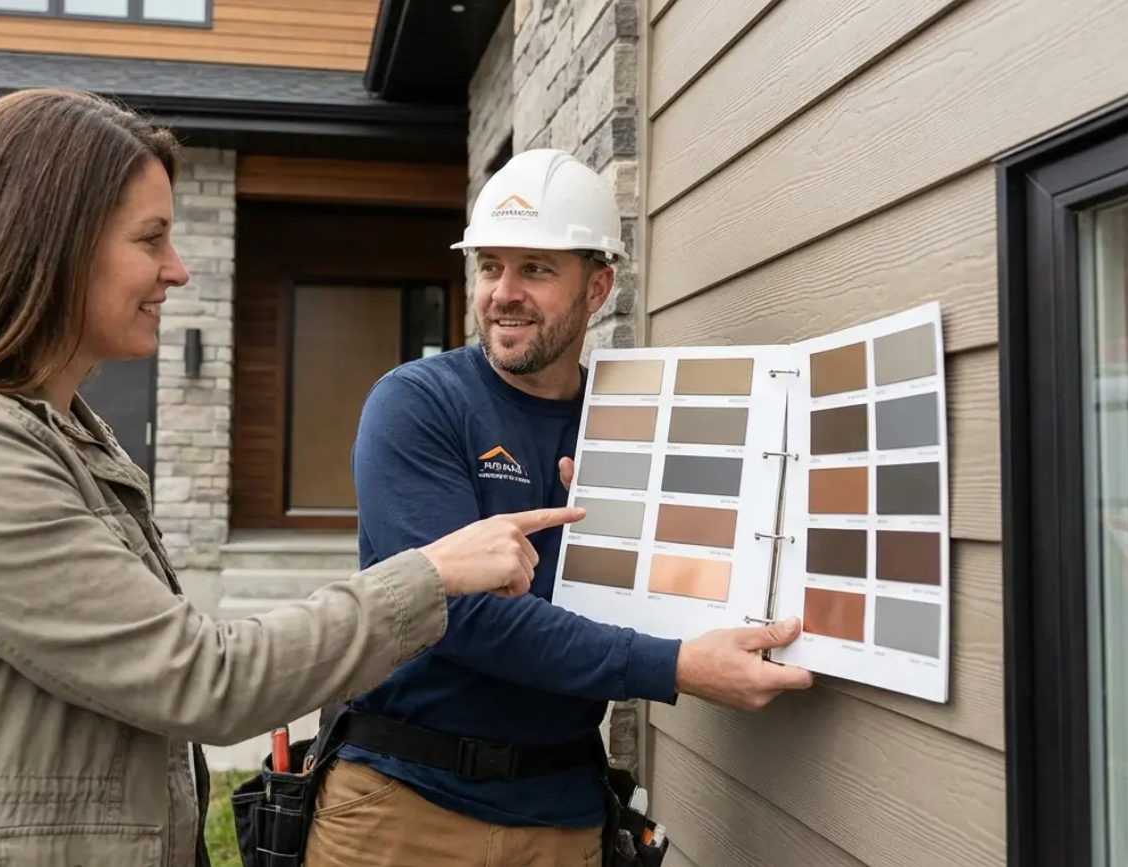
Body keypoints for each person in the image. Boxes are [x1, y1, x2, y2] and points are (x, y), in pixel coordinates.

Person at [0, 88, 586, 867]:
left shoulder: (62, 430)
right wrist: (432, 573)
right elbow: (204, 678)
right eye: (150, 239)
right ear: (51, 245)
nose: (176, 270)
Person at [301, 149, 817, 867]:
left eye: (535, 269)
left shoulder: (631, 420)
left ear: (597, 285)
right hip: (403, 805)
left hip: (561, 811)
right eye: (489, 266)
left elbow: (683, 575)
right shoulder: (418, 404)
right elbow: (457, 613)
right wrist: (674, 666)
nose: (502, 293)